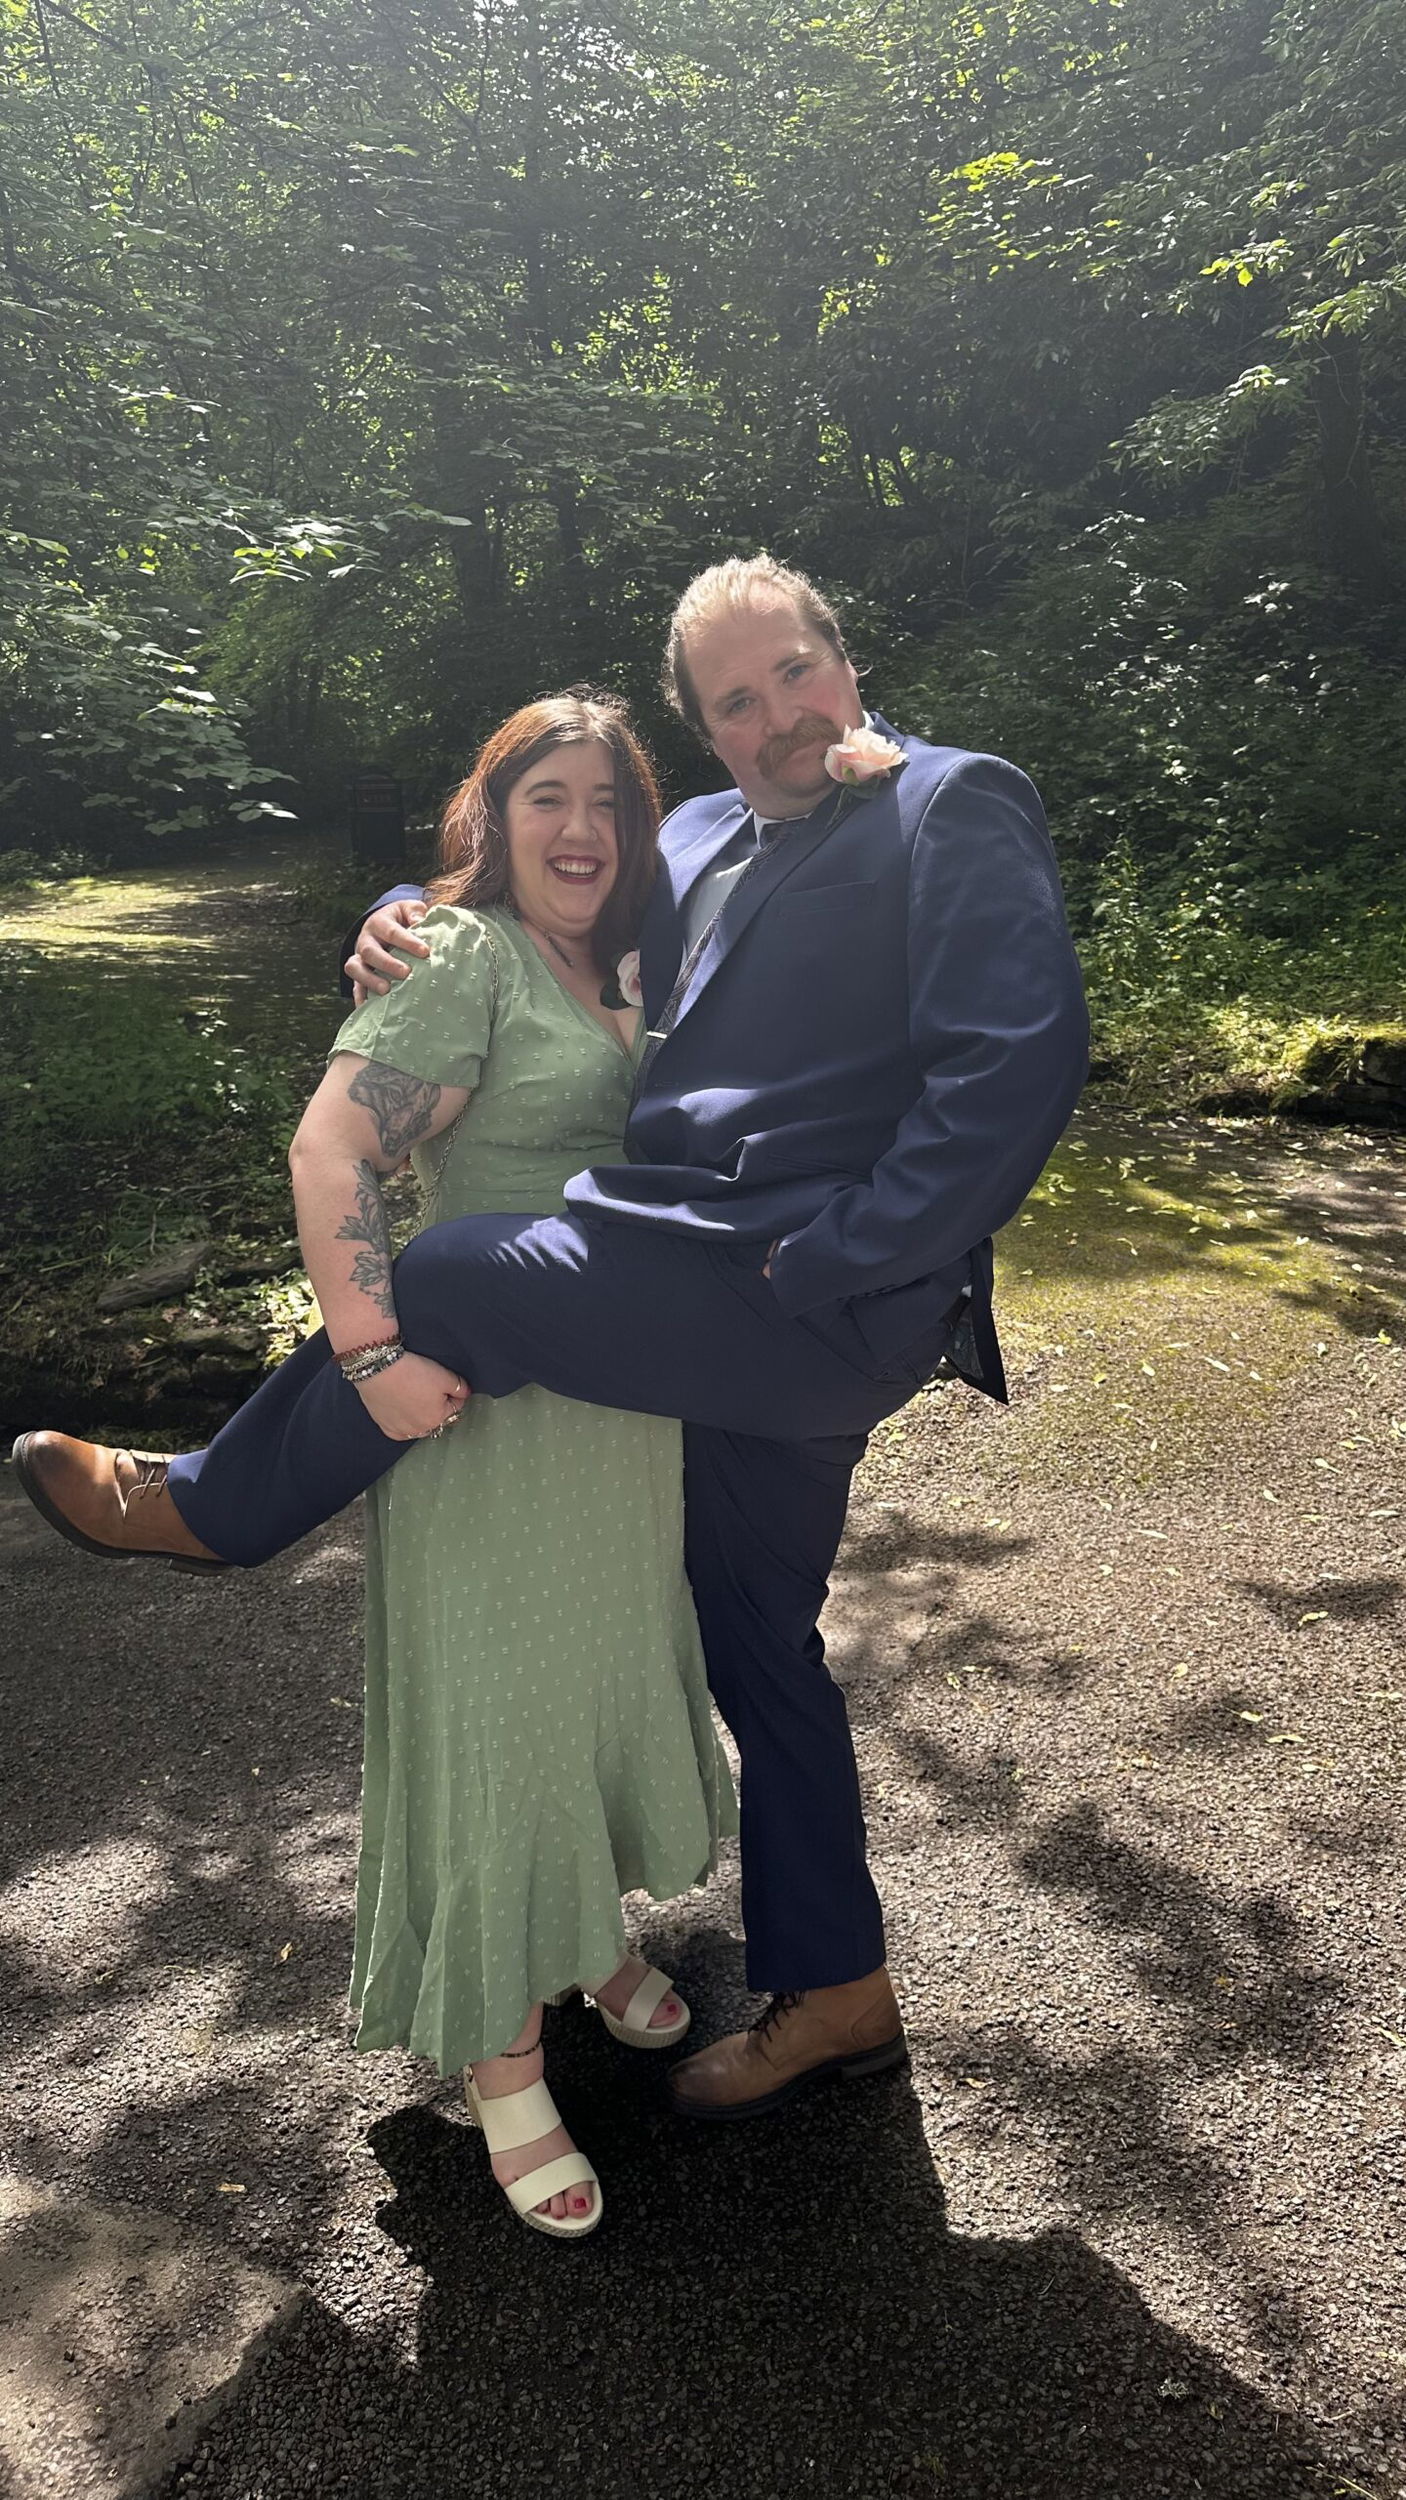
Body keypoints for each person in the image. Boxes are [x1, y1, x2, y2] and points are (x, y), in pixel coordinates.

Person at [13, 554, 1089, 2126]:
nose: (778, 716)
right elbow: (532, 892)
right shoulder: (698, 834)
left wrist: (836, 1256)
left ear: (843, 657)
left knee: (450, 1274)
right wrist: (396, 919)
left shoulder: (945, 801)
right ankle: (839, 1988)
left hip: (802, 1289)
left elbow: (1013, 1067)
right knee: (756, 1638)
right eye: (736, 701)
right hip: (707, 1282)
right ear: (705, 731)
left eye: (794, 672)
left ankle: (209, 1505)